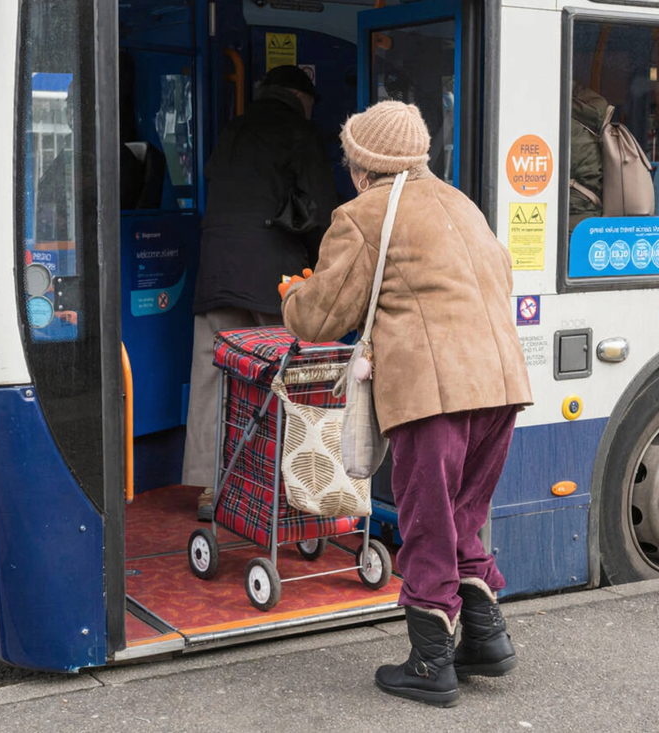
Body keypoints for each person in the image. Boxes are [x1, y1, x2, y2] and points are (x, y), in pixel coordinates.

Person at [278, 101, 533, 707]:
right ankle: (486, 640)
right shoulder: (461, 204)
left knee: (426, 521)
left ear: (363, 164)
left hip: (435, 394)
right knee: (462, 514)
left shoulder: (363, 215)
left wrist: (293, 293)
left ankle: (429, 665)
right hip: (500, 387)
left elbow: (320, 317)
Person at [184, 65, 337, 521]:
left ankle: (212, 486)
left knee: (215, 377)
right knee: (286, 380)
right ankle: (288, 484)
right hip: (274, 278)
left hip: (216, 274)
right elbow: (323, 209)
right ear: (299, 96)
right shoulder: (299, 131)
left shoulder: (232, 130)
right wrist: (328, 270)